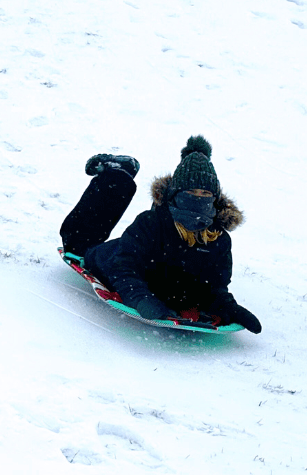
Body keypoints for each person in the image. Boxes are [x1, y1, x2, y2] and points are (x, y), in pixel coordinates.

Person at [58, 135, 262, 333]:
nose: (198, 200)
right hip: (112, 260)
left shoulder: (219, 239)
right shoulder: (150, 223)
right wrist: (139, 296)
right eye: (190, 193)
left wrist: (226, 306)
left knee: (169, 238)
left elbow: (213, 286)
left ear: (214, 199)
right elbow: (123, 267)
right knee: (78, 246)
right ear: (177, 193)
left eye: (205, 194)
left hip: (160, 268)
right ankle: (117, 174)